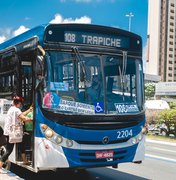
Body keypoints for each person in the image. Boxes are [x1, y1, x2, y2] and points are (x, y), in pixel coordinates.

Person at [0, 96, 33, 170]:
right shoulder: (16, 110)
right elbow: (23, 118)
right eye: (21, 103)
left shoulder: (12, 109)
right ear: (18, 103)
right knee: (9, 150)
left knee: (21, 145)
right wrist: (32, 119)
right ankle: (0, 164)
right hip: (13, 133)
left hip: (11, 132)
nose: (21, 105)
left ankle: (25, 161)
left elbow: (21, 114)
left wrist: (29, 110)